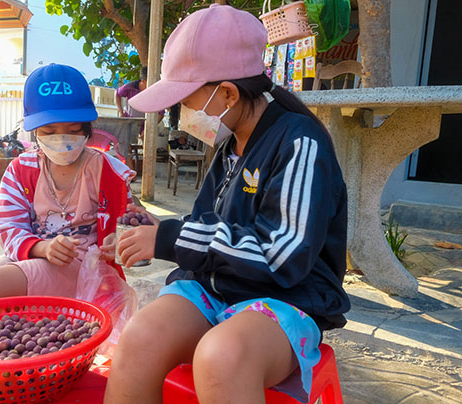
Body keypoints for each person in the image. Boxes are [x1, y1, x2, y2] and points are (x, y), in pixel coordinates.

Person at [105, 5, 350, 404]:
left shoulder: (301, 144)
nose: (178, 115)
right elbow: (212, 223)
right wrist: (160, 228)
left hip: (286, 298)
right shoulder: (228, 148)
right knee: (139, 337)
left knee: (221, 357)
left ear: (228, 93)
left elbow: (282, 256)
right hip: (217, 289)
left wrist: (171, 239)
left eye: (183, 101)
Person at [0, 63, 135, 321]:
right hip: (32, 255)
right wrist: (41, 248)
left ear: (88, 127)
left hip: (83, 267)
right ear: (34, 131)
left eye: (74, 130)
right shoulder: (22, 169)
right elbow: (6, 227)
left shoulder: (109, 172)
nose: (63, 139)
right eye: (49, 131)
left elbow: (129, 225)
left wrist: (120, 242)